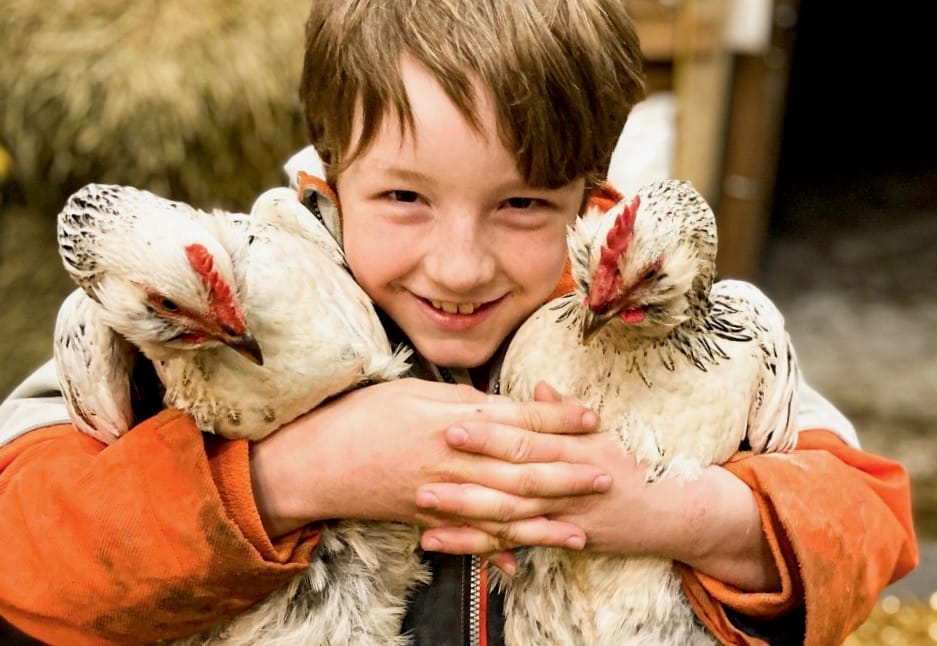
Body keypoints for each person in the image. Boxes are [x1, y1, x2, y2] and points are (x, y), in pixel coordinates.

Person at [0, 0, 918, 644]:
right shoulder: (196, 320)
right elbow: (21, 548)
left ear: (589, 197)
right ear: (327, 184)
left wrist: (667, 511)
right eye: (403, 196)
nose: (459, 264)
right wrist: (290, 477)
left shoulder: (684, 344)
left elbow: (866, 523)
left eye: (520, 204)